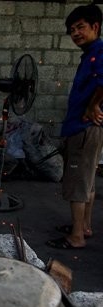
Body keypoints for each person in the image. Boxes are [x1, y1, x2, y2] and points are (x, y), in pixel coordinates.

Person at [47, 3, 103, 249]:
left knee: (77, 184)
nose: (75, 33)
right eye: (72, 30)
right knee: (87, 181)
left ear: (95, 26)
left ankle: (76, 237)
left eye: (80, 27)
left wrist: (93, 106)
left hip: (82, 130)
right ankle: (85, 227)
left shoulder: (99, 51)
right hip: (87, 130)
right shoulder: (91, 53)